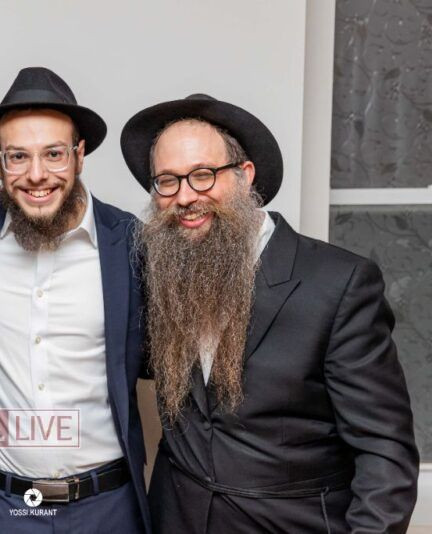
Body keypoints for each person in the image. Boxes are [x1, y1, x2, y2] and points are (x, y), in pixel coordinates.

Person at [121, 94, 419, 533]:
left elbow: (384, 454)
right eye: (167, 181)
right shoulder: (157, 271)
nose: (184, 196)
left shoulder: (339, 283)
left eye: (203, 175)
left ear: (245, 176)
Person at [0, 67, 150, 533]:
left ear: (79, 154)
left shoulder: (132, 243)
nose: (36, 174)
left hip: (107, 507)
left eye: (53, 154)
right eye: (18, 157)